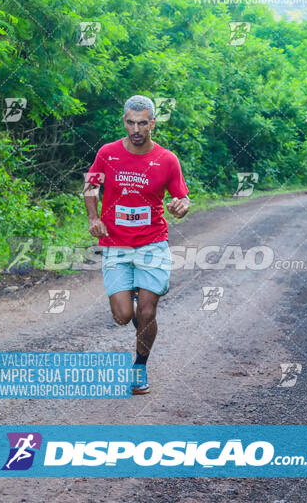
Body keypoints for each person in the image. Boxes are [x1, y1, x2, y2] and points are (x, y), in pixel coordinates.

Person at [84, 95, 190, 394]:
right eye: (131, 122)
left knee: (146, 312)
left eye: (142, 123)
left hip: (151, 244)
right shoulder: (107, 153)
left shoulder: (167, 159)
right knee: (123, 316)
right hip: (116, 244)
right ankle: (135, 304)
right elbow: (91, 186)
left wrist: (182, 205)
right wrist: (94, 218)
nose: (136, 129)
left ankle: (140, 366)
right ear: (124, 121)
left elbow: (181, 196)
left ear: (152, 123)